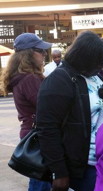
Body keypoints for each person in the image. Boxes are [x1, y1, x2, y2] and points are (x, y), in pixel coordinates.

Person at [36, 31, 103, 191]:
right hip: (82, 168)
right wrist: (59, 172)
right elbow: (47, 129)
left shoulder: (95, 76)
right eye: (99, 62)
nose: (102, 66)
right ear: (85, 59)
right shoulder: (58, 80)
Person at [0, 33, 52, 190]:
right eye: (40, 50)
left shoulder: (23, 76)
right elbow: (46, 107)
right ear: (28, 54)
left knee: (39, 181)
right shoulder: (29, 79)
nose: (44, 54)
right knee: (41, 183)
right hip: (38, 136)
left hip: (32, 133)